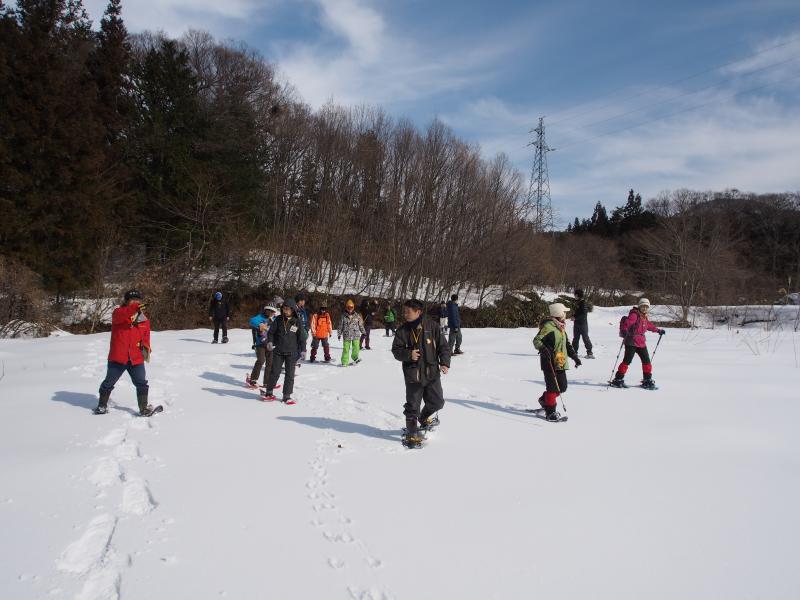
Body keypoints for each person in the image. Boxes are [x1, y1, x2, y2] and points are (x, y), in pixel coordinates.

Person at [391, 299, 451, 447]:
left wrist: (444, 362)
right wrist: (408, 354)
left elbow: (444, 347)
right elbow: (396, 351)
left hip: (432, 372)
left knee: (437, 402)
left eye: (408, 311)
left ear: (418, 312)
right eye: (404, 311)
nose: (405, 314)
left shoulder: (432, 326)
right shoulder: (402, 330)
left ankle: (423, 419)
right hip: (413, 374)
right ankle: (412, 434)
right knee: (413, 406)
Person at [94, 290, 158, 416]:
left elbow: (146, 337)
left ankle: (143, 408)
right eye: (132, 300)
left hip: (136, 358)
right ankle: (101, 406)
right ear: (126, 301)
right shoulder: (118, 313)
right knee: (109, 382)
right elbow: (123, 314)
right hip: (118, 358)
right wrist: (134, 308)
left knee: (141, 383)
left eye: (138, 300)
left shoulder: (144, 320)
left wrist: (146, 348)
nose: (136, 302)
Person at [533, 303, 582, 422]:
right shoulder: (548, 327)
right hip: (549, 362)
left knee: (562, 387)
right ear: (559, 314)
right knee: (552, 388)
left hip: (560, 362)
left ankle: (545, 400)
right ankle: (550, 412)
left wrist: (575, 357)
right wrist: (543, 349)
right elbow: (536, 340)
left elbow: (567, 344)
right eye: (564, 313)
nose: (566, 315)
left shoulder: (560, 328)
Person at [610, 298, 665, 390]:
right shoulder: (634, 315)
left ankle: (647, 380)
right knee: (627, 361)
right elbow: (627, 323)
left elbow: (649, 326)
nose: (644, 308)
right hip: (631, 341)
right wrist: (624, 330)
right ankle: (618, 379)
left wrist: (658, 330)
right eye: (643, 306)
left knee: (646, 361)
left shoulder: (644, 316)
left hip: (641, 342)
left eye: (646, 307)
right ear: (639, 306)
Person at [261, 300, 307, 404]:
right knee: (275, 372)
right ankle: (269, 392)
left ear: (292, 309)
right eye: (283, 309)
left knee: (290, 375)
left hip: (291, 353)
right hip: (278, 351)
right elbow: (271, 333)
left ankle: (287, 396)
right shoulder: (278, 319)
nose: (285, 311)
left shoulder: (297, 321)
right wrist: (270, 342)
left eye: (287, 309)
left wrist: (303, 350)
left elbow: (302, 338)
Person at [246, 305, 279, 389]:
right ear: (265, 310)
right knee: (261, 360)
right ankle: (253, 380)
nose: (271, 313)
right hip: (260, 344)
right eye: (269, 311)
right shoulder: (259, 317)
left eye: (272, 312)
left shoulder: (274, 319)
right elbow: (251, 321)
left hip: (270, 344)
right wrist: (259, 324)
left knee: (270, 363)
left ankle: (267, 383)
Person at [338, 299, 365, 366]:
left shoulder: (357, 316)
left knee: (356, 347)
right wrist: (339, 334)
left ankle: (355, 357)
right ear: (346, 308)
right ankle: (344, 362)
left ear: (353, 308)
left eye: (351, 307)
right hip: (346, 335)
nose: (350, 309)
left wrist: (363, 332)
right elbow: (340, 325)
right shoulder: (343, 316)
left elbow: (360, 324)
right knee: (346, 349)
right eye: (348, 307)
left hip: (355, 335)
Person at [571, 288, 594, 358]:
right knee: (575, 338)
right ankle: (574, 352)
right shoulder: (577, 302)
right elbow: (578, 312)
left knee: (585, 338)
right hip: (576, 324)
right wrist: (573, 316)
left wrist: (575, 317)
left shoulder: (583, 303)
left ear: (577, 295)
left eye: (575, 295)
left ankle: (590, 353)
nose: (574, 296)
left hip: (583, 324)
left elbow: (583, 314)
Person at [294, 293, 310, 365]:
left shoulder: (303, 310)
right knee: (295, 347)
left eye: (304, 300)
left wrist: (306, 329)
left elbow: (306, 320)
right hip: (295, 332)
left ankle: (296, 361)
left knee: (301, 348)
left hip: (303, 331)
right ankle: (291, 363)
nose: (303, 302)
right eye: (302, 300)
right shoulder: (294, 309)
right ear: (298, 301)